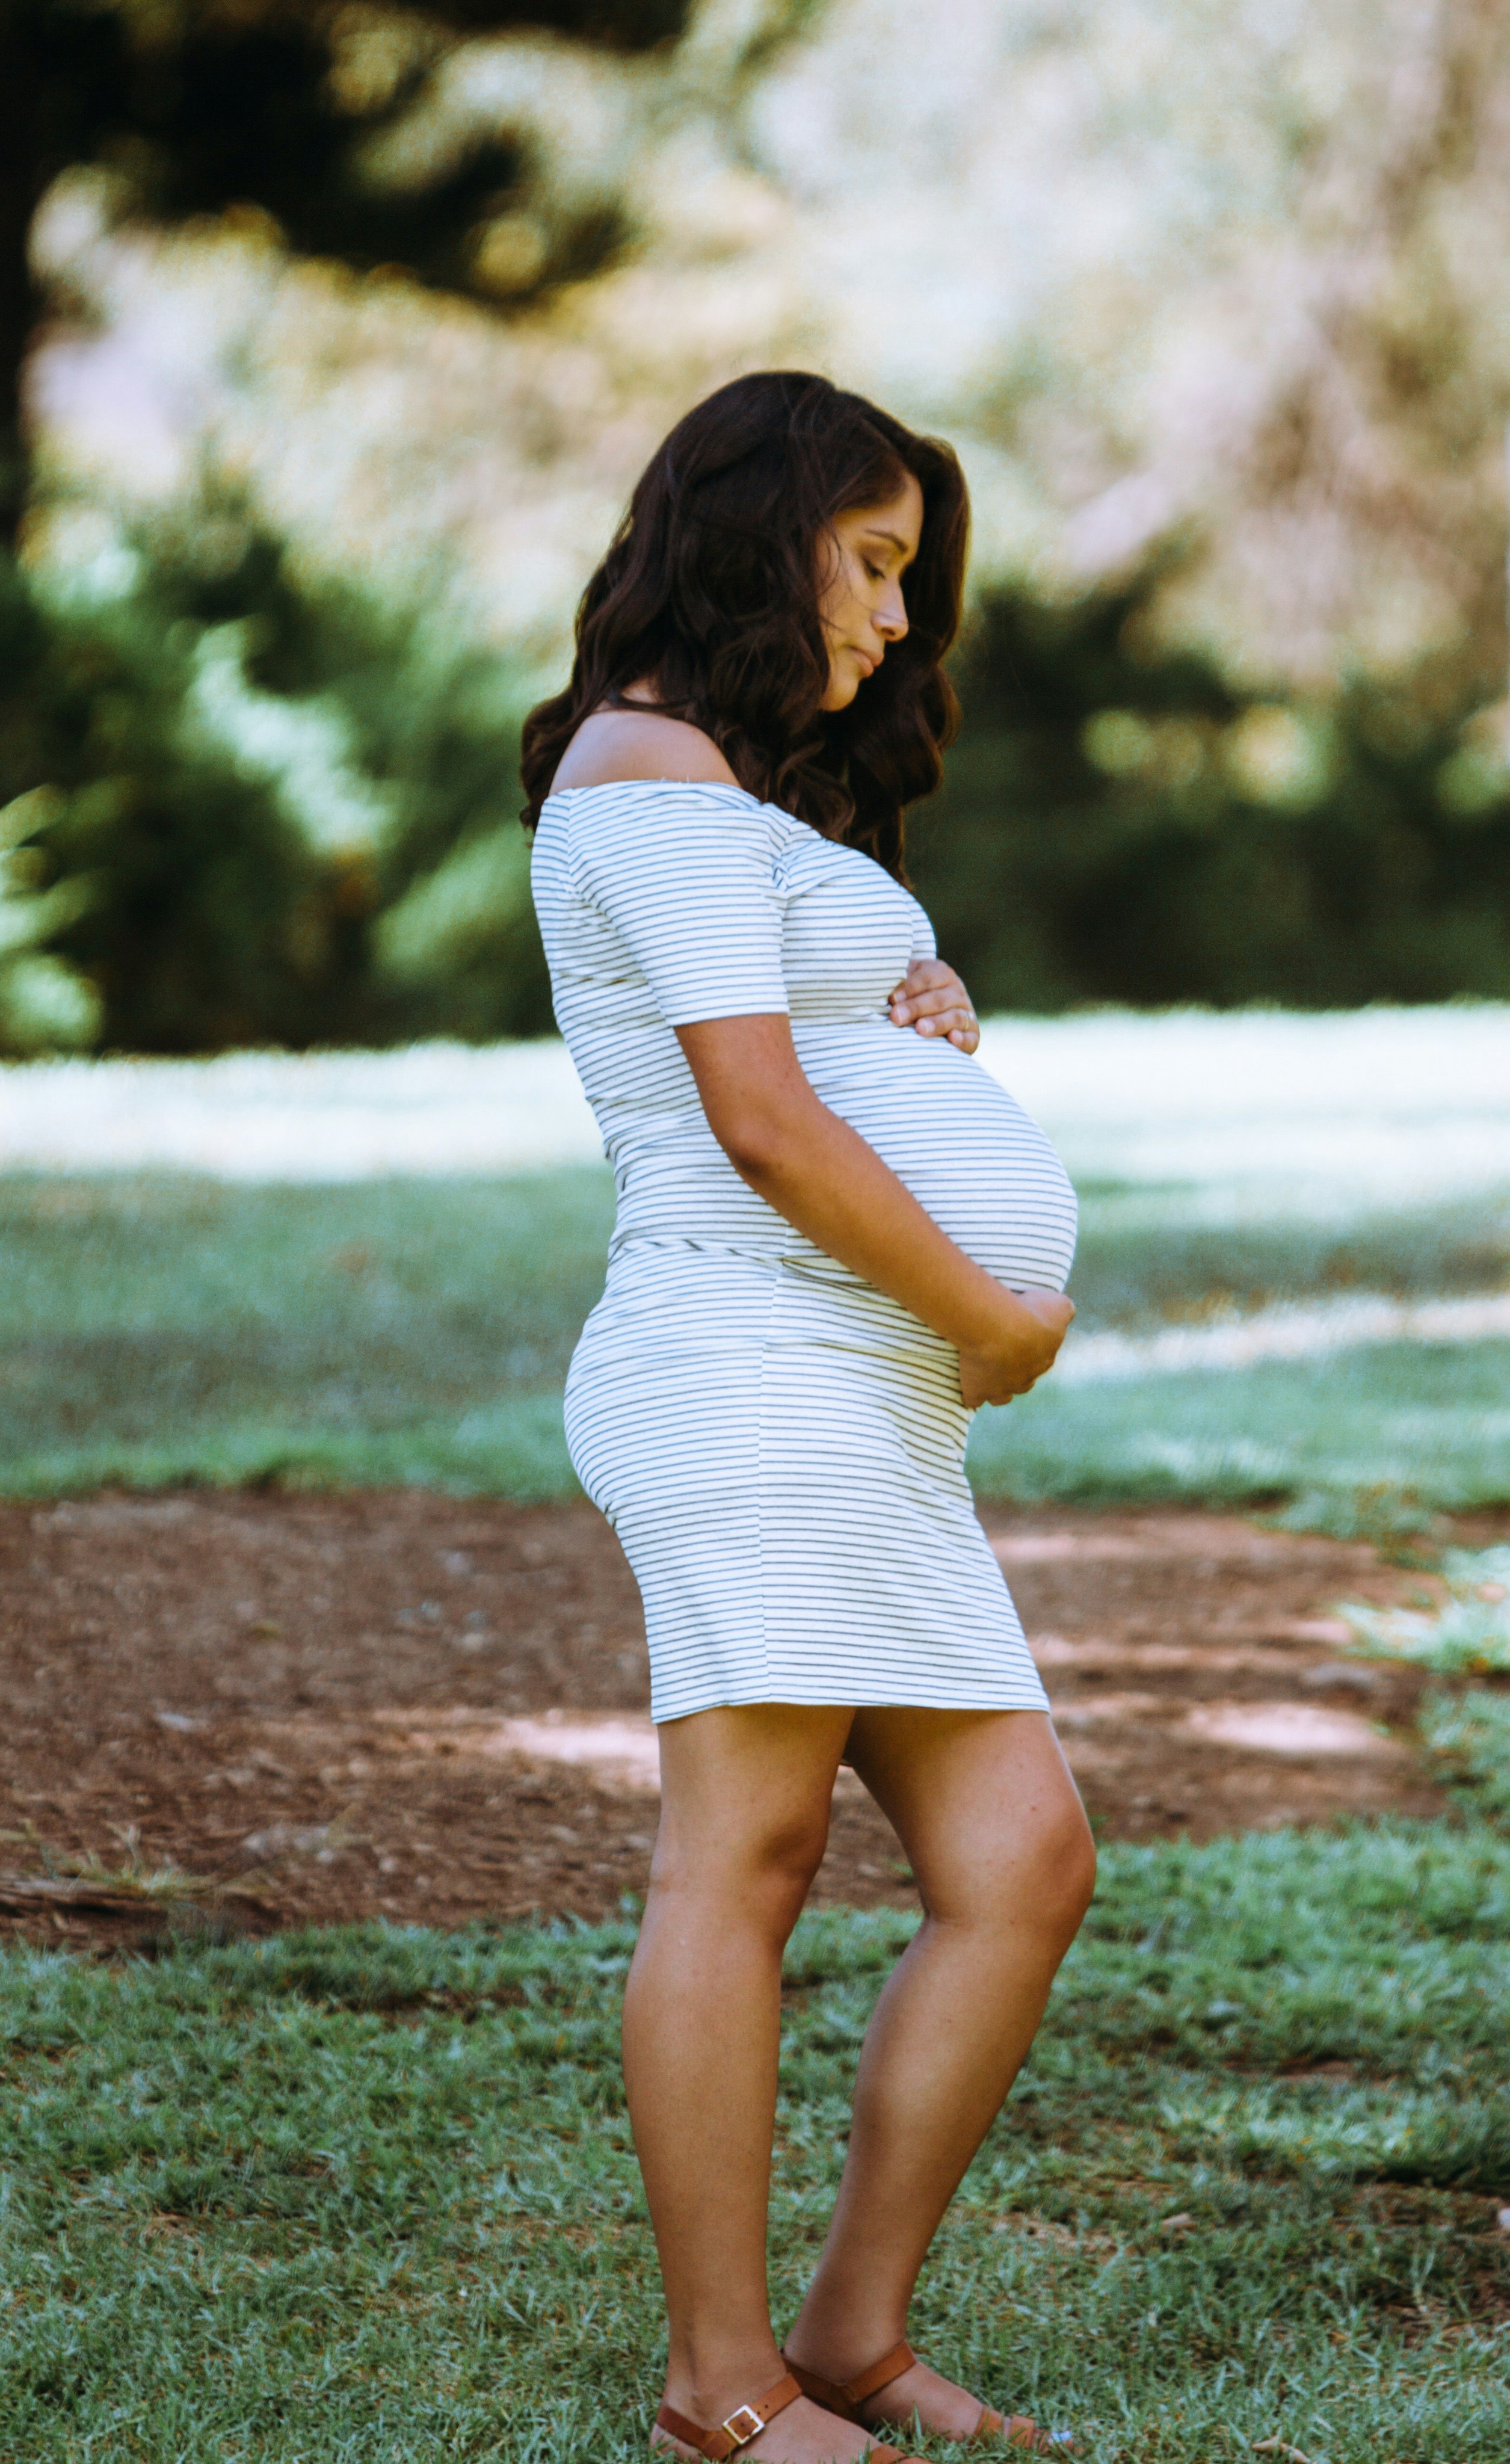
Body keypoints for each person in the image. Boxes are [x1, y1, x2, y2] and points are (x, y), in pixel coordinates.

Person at [521, 371, 1095, 2464]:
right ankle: (721, 2387)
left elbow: (806, 1062)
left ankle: (850, 2333)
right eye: (868, 569)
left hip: (849, 1390)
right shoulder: (646, 770)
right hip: (748, 1367)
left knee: (1021, 1859)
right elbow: (752, 1126)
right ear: (759, 535)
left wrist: (925, 1025)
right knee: (741, 1860)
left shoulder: (729, 801)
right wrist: (991, 1317)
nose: (884, 625)